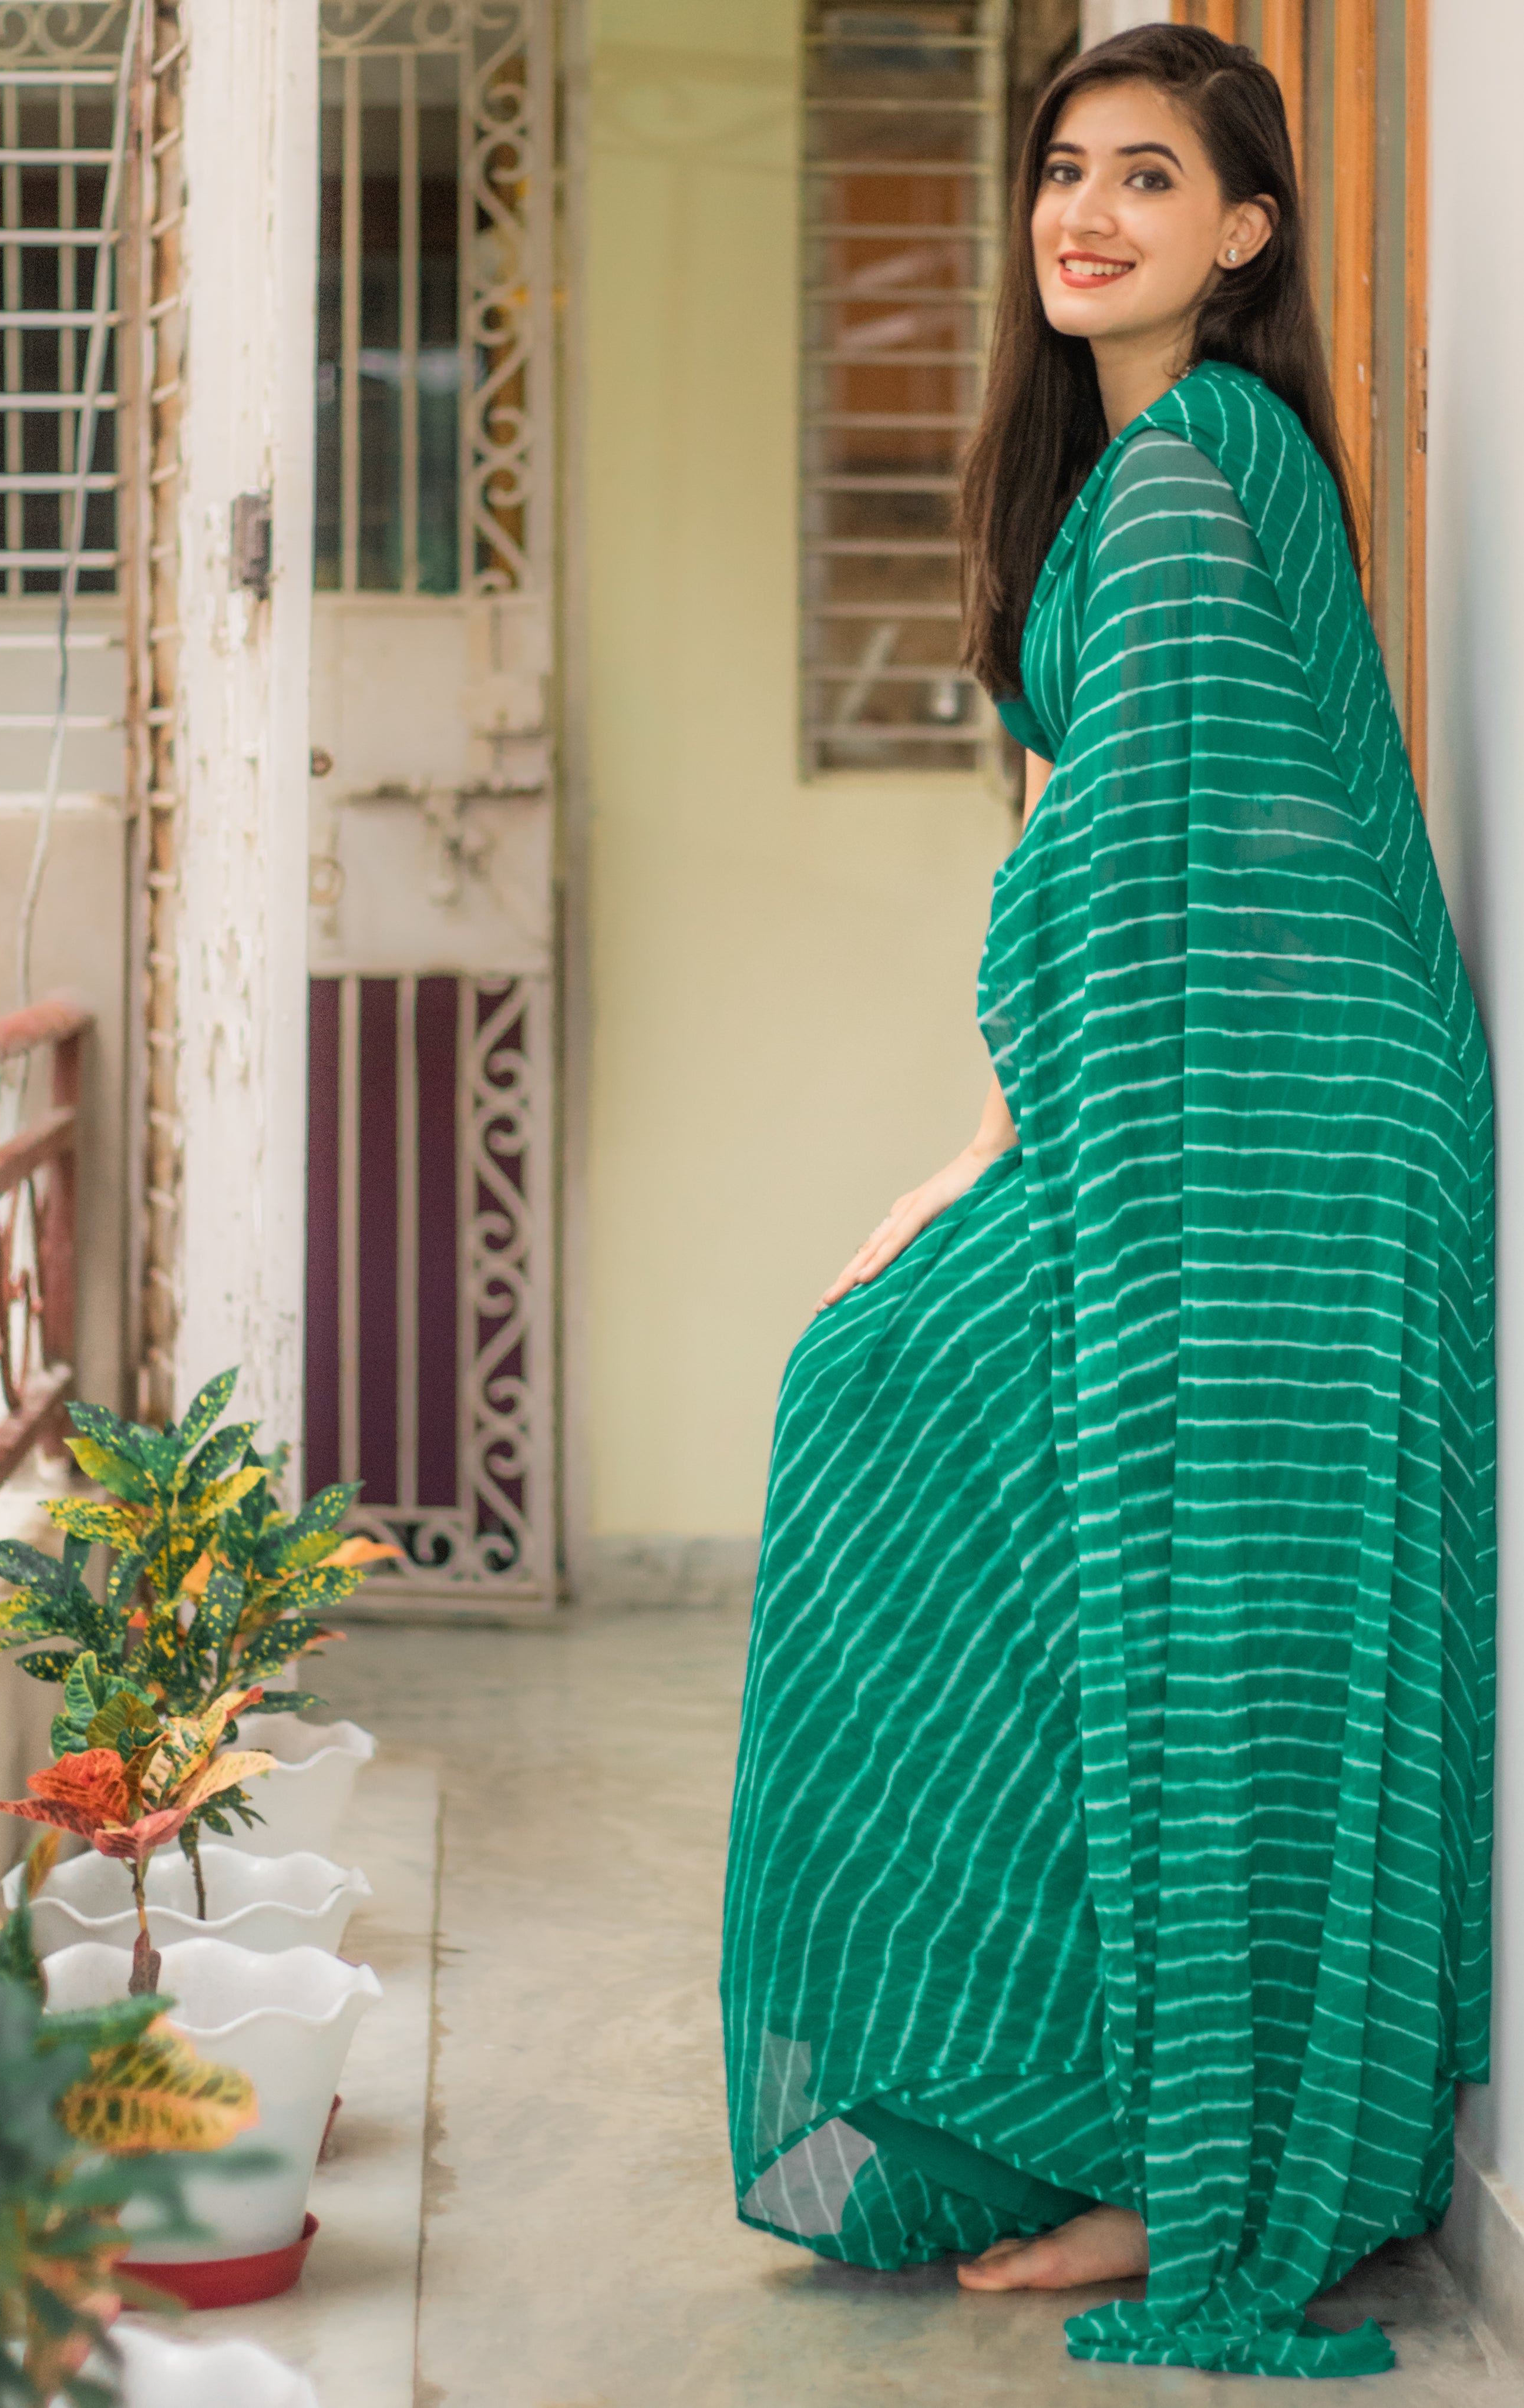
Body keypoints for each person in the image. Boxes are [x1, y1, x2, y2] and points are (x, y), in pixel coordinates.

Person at [719, 22, 1493, 2380]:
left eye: (1148, 179)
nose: (1090, 214)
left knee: (1063, 1529)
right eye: (1064, 170)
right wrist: (970, 1148)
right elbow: (1082, 853)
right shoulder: (1118, 474)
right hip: (1216, 1107)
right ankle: (1115, 2113)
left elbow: (1161, 869)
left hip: (1283, 1134)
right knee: (1053, 1529)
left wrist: (991, 1160)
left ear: (1245, 230)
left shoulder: (1197, 468)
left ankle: (1189, 2166)